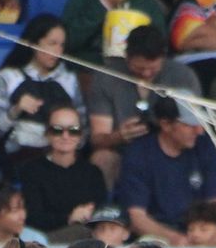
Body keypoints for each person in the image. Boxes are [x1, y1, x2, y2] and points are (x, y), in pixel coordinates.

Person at [83, 22, 199, 183]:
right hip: (121, 152)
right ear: (126, 56)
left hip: (170, 149)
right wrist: (118, 136)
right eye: (139, 68)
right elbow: (97, 139)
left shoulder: (182, 76)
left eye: (152, 68)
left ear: (163, 57)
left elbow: (195, 127)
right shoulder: (106, 77)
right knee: (102, 158)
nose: (145, 73)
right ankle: (103, 208)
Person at [114, 95, 216, 242]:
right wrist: (176, 239)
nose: (199, 131)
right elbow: (136, 217)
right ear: (166, 125)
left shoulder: (206, 146)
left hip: (200, 234)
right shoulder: (138, 154)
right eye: (189, 125)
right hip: (156, 237)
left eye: (199, 123)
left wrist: (201, 236)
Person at [0, 13, 83, 162]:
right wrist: (15, 111)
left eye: (62, 45)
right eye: (52, 43)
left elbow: (83, 131)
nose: (58, 52)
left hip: (60, 160)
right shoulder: (8, 77)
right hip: (16, 159)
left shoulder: (70, 80)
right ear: (33, 44)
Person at [12, 103, 105, 235]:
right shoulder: (31, 170)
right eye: (57, 130)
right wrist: (69, 218)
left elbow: (101, 214)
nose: (65, 136)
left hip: (86, 242)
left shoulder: (93, 173)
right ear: (47, 134)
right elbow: (32, 217)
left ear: (80, 135)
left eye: (73, 130)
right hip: (44, 242)